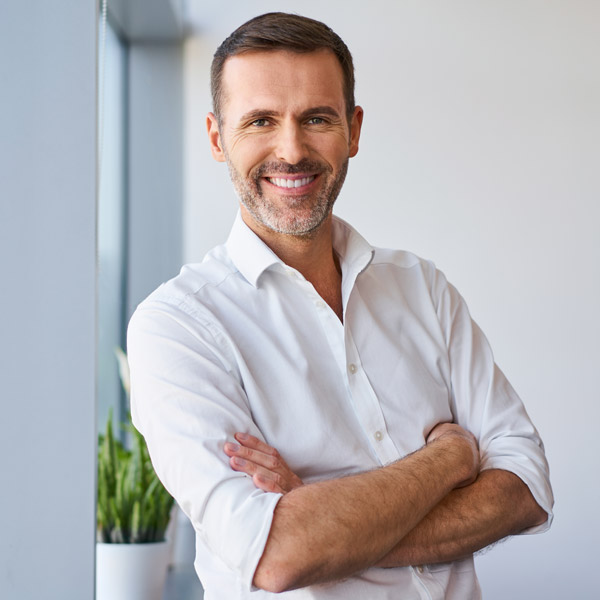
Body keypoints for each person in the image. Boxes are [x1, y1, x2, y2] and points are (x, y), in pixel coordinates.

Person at [127, 12, 553, 599]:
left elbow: (525, 488)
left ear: (353, 129)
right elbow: (278, 555)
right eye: (260, 121)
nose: (292, 149)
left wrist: (317, 510)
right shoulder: (176, 328)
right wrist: (450, 459)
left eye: (317, 118)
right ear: (217, 137)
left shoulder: (422, 289)